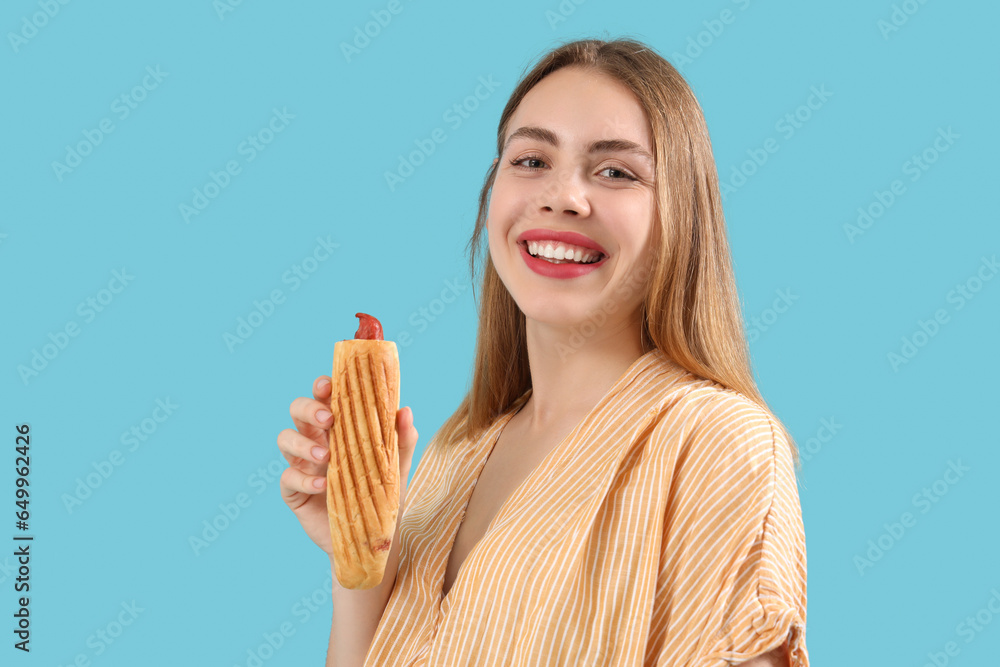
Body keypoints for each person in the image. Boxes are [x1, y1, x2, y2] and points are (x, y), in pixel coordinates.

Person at [278, 37, 808, 666]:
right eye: (530, 160)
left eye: (616, 172)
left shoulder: (720, 443)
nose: (562, 196)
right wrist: (359, 554)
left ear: (680, 219)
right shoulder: (457, 454)